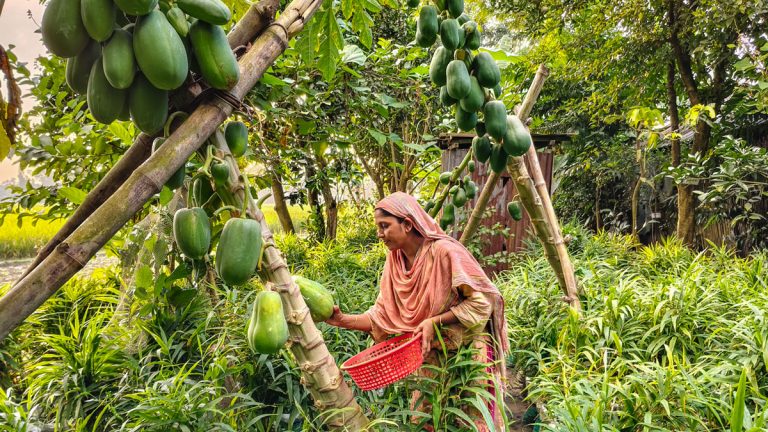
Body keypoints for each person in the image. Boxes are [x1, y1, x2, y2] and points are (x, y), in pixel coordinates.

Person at [326, 192, 508, 431]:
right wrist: (342, 320)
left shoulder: (445, 252)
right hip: (429, 354)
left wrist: (435, 321)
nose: (379, 233)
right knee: (424, 420)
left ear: (408, 224)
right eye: (378, 227)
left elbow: (481, 303)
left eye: (385, 226)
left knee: (470, 421)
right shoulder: (395, 262)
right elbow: (382, 315)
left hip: (467, 351)